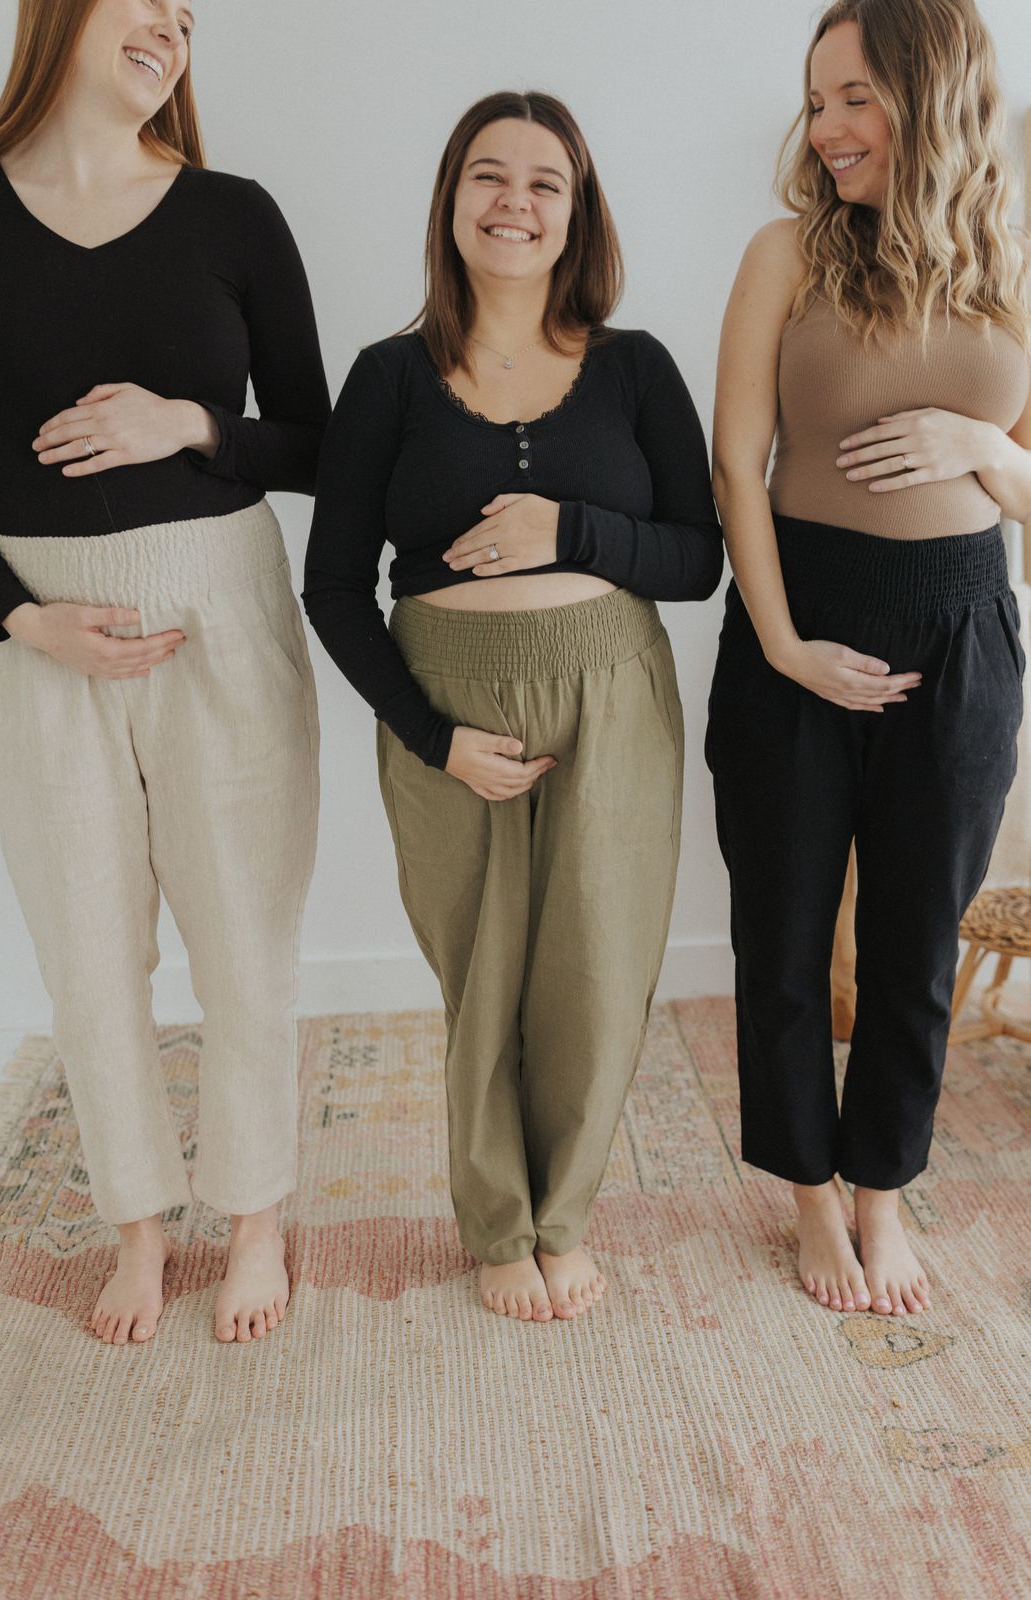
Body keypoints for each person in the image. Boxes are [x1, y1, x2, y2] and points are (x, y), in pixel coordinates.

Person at [304, 90, 722, 1322]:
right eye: (487, 176)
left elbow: (697, 559)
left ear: (576, 210)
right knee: (480, 973)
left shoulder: (634, 367)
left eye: (544, 182)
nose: (514, 203)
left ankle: (565, 1215)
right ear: (448, 201)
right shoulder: (387, 376)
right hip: (445, 698)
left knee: (595, 967)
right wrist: (432, 738)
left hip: (612, 687)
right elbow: (332, 589)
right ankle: (496, 1224)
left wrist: (568, 529)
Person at [0, 0, 329, 1345]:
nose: (173, 27)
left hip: (219, 607)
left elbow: (315, 441)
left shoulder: (233, 215)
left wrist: (181, 423)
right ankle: (134, 1226)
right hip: (34, 634)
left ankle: (251, 1221)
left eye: (189, 18)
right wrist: (19, 619)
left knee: (244, 932)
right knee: (86, 942)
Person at [708, 0, 1029, 1317]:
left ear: (927, 90)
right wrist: (781, 643)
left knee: (911, 944)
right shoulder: (785, 251)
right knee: (781, 937)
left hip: (959, 622)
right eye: (816, 100)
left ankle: (879, 1194)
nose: (826, 128)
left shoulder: (1008, 259)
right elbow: (736, 460)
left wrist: (979, 450)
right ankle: (803, 1198)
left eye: (854, 97)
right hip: (800, 609)